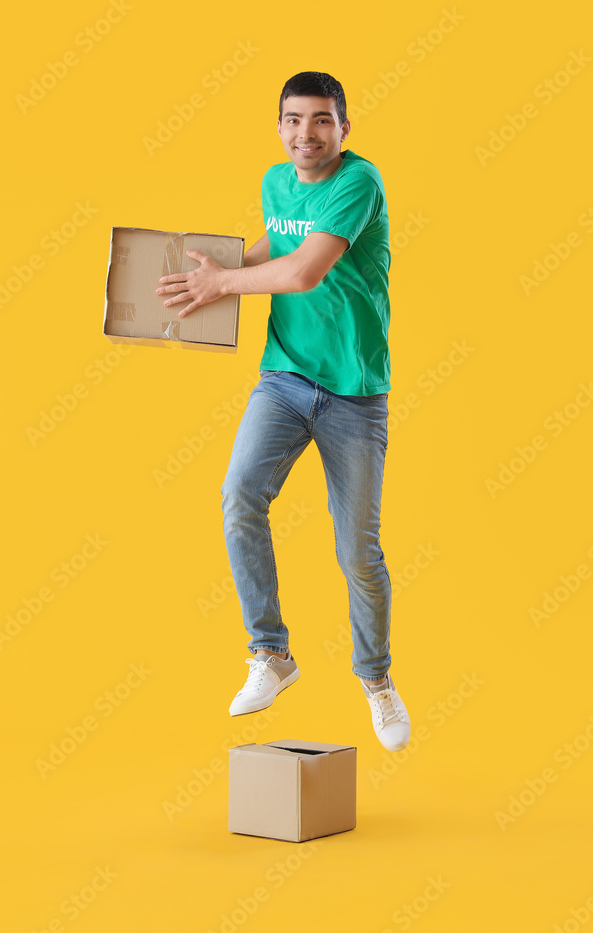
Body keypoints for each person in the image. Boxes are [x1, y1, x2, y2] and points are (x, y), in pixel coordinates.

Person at [156, 71, 410, 752]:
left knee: (357, 550)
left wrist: (224, 281)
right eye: (294, 120)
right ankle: (271, 654)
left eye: (322, 121)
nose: (307, 134)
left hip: (355, 391)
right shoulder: (276, 179)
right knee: (239, 494)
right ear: (279, 127)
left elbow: (304, 271)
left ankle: (376, 679)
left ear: (344, 128)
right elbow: (278, 243)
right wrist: (216, 271)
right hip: (285, 378)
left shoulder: (361, 182)